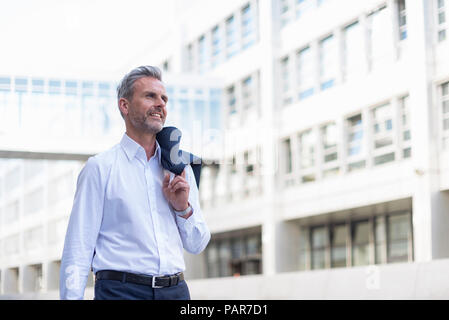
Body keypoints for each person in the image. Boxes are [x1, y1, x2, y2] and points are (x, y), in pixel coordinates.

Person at [60, 66, 211, 300]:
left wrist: (183, 209)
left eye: (164, 98)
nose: (160, 103)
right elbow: (78, 247)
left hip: (176, 292)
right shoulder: (100, 168)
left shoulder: (180, 169)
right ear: (125, 105)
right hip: (121, 293)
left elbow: (197, 244)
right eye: (150, 96)